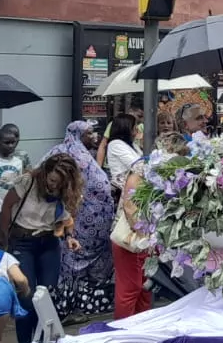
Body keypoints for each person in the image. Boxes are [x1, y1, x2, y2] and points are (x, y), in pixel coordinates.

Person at [0, 152, 82, 343]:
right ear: (45, 171)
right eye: (51, 179)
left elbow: (65, 217)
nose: (53, 185)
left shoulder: (66, 190)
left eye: (59, 182)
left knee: (46, 298)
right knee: (27, 298)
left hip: (48, 242)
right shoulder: (28, 182)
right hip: (22, 241)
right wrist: (5, 241)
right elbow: (6, 206)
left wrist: (69, 236)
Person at [44, 121, 117, 322]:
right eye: (89, 133)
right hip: (73, 221)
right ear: (77, 134)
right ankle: (65, 307)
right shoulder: (66, 154)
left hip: (88, 222)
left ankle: (76, 305)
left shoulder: (83, 154)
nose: (93, 136)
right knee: (69, 261)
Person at [111, 161, 153, 320]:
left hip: (146, 238)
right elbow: (129, 207)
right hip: (133, 238)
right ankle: (124, 328)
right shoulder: (140, 171)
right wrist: (143, 235)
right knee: (131, 288)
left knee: (145, 288)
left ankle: (141, 326)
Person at [0, 124, 29, 233]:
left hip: (11, 208)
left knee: (8, 235)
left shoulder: (18, 162)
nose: (10, 146)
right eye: (6, 143)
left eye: (13, 142)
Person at [101, 114, 141, 191]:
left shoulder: (132, 144)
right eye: (135, 126)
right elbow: (136, 164)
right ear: (126, 128)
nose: (137, 129)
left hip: (134, 184)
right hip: (124, 188)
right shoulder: (115, 144)